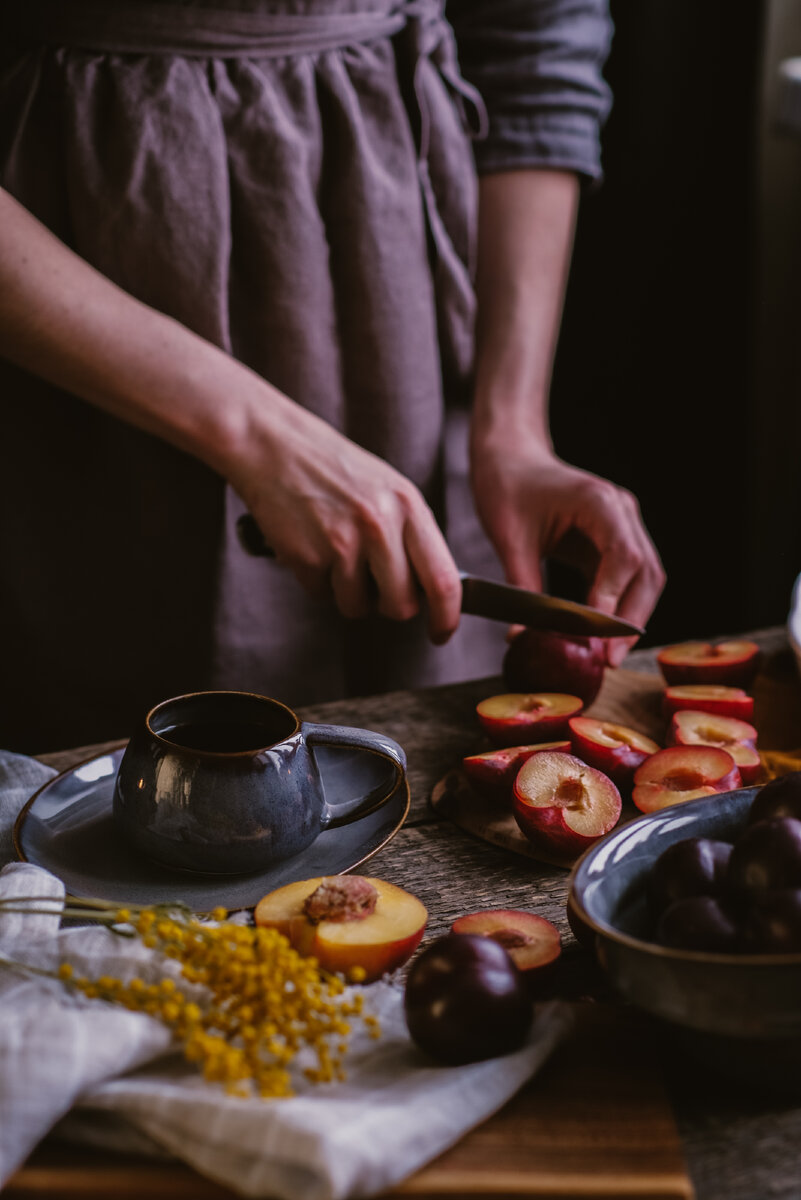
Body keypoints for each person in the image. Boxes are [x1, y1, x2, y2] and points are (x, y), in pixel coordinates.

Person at [0, 0, 664, 753]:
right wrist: (255, 431)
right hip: (81, 302)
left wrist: (511, 427)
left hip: (404, 300)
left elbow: (535, 38)